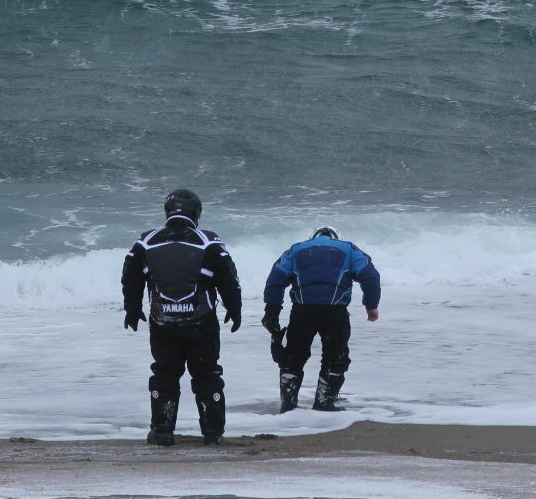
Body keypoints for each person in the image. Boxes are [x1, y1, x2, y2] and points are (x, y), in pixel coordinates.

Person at [121, 189, 241, 446]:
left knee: (164, 375)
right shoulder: (209, 241)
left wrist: (132, 310)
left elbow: (130, 277)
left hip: (162, 321)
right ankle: (213, 433)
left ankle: (162, 431)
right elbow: (229, 279)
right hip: (202, 323)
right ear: (196, 214)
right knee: (207, 375)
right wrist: (235, 308)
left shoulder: (145, 242)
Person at [261, 225, 380, 412]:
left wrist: (271, 312)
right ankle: (324, 402)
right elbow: (370, 275)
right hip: (334, 312)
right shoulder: (349, 249)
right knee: (336, 358)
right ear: (337, 237)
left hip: (302, 311)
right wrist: (371, 306)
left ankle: (288, 404)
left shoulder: (295, 249)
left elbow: (276, 278)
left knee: (294, 357)